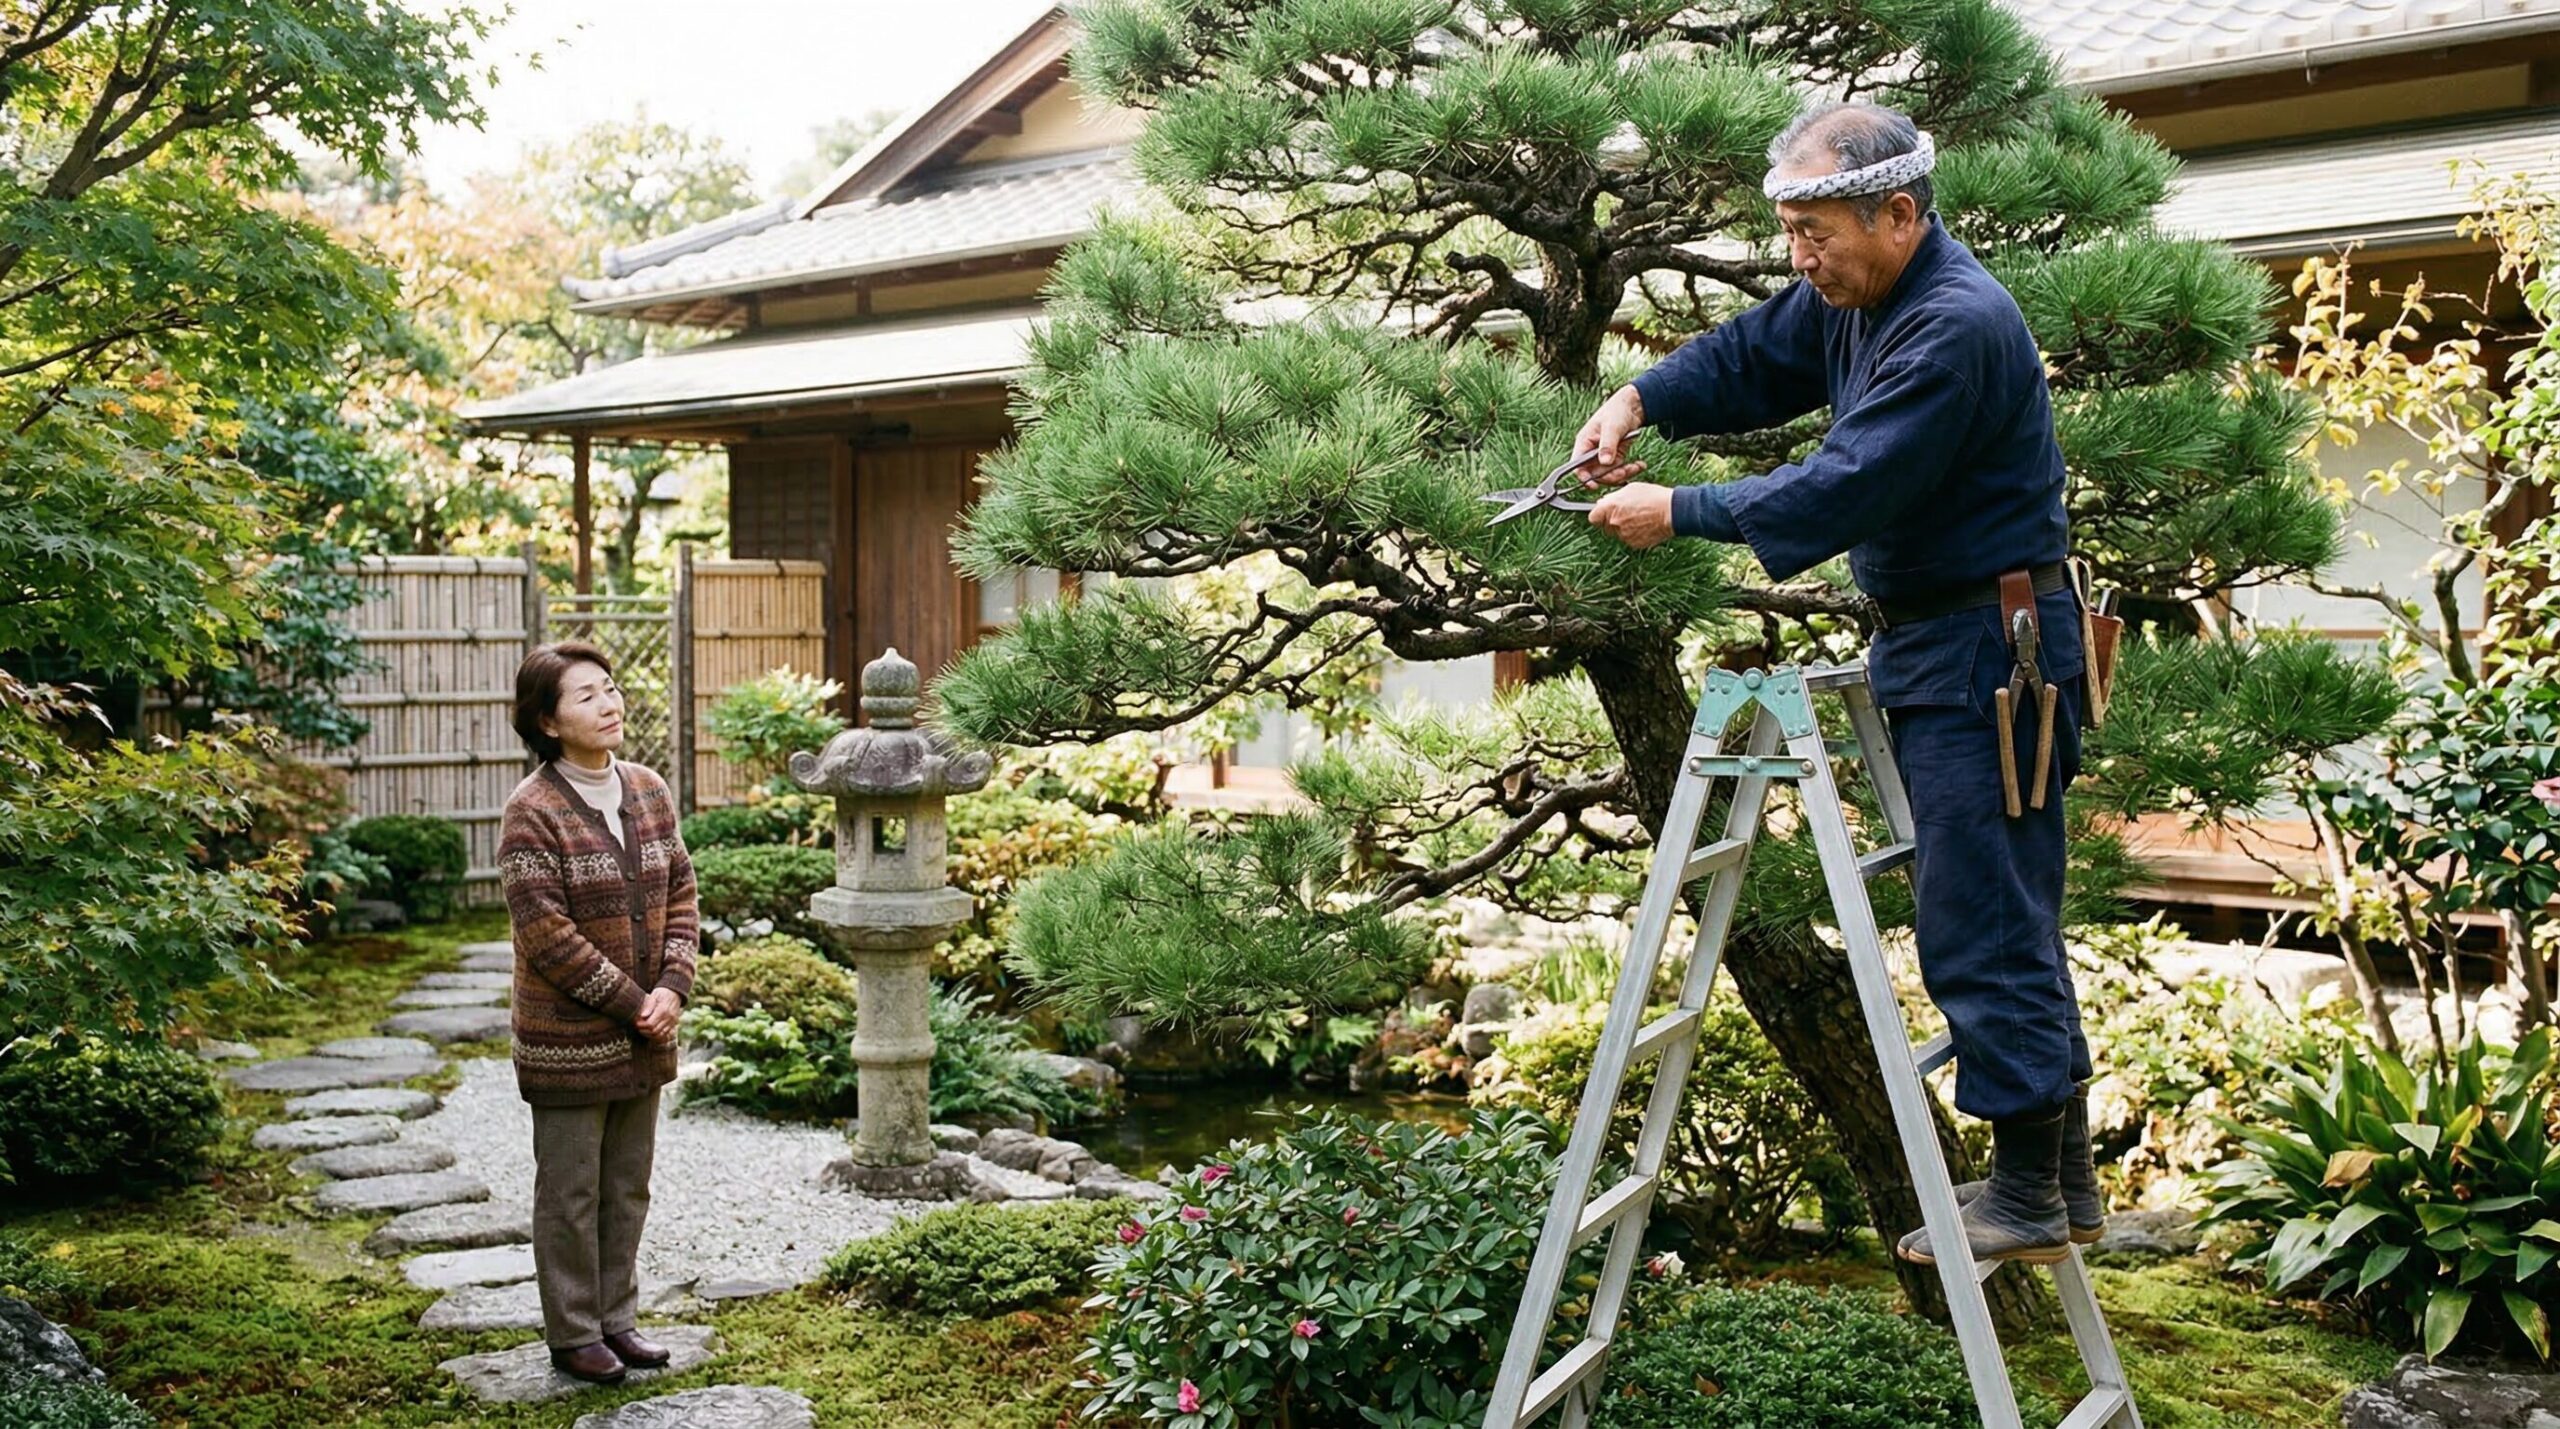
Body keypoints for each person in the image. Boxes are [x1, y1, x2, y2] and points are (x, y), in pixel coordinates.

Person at [1573, 100, 2102, 1267]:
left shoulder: (1953, 322)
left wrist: (1682, 511)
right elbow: (1757, 353)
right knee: (2004, 900)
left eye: (1816, 233)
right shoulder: (1861, 296)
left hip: (1987, 648)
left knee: (1980, 910)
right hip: (1954, 636)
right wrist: (1640, 397)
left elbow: (1846, 483)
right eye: (1791, 234)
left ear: (1899, 212)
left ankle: (2023, 1191)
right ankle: (2061, 1184)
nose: (1801, 259)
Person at [498, 641, 699, 1384]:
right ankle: (574, 1330)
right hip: (569, 1040)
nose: (609, 703)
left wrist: (673, 986)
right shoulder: (532, 811)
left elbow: (682, 891)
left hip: (646, 1030)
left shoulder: (649, 788)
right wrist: (635, 1001)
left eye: (610, 689)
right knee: (571, 1189)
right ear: (548, 721)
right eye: (586, 696)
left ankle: (619, 1318)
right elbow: (548, 935)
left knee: (627, 1184)